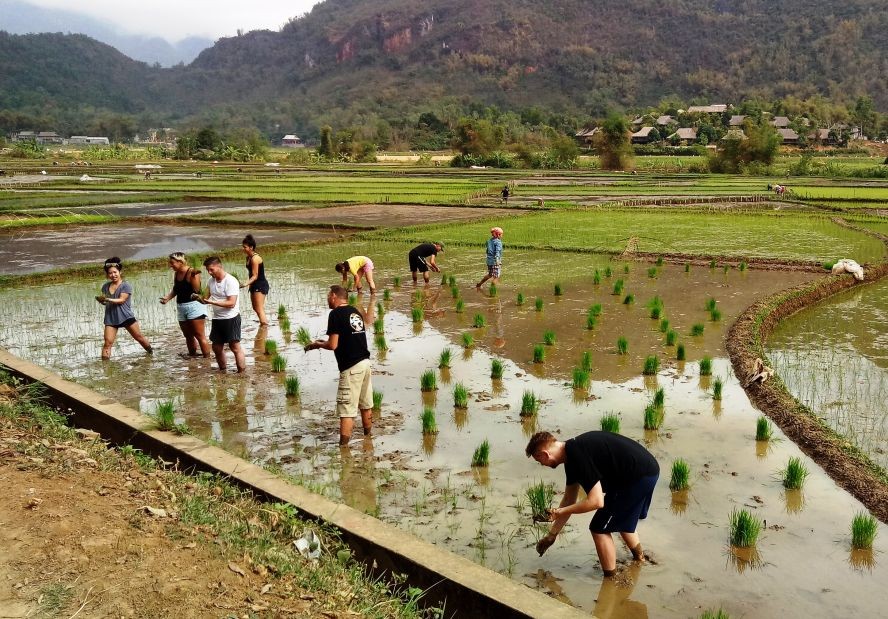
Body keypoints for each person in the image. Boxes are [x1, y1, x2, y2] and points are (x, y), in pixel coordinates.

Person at [526, 430, 659, 578]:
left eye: (539, 461)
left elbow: (596, 501)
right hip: (645, 471)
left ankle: (610, 579)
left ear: (544, 454)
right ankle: (639, 558)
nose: (542, 465)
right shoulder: (571, 454)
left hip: (637, 477)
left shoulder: (577, 455)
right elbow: (569, 499)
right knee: (618, 517)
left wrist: (559, 513)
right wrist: (552, 535)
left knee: (599, 528)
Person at [304, 285, 373, 445]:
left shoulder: (335, 314)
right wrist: (323, 342)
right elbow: (345, 338)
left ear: (334, 296)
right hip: (365, 363)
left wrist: (318, 345)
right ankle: (368, 439)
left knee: (346, 410)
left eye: (328, 295)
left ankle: (343, 448)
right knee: (365, 404)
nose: (327, 298)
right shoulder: (354, 311)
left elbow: (333, 345)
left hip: (351, 368)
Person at [95, 257, 152, 360]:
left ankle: (151, 354)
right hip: (111, 318)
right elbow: (106, 303)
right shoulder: (105, 286)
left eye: (115, 272)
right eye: (110, 273)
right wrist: (101, 301)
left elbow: (121, 300)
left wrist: (107, 299)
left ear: (120, 272)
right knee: (107, 343)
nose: (113, 275)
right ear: (107, 275)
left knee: (139, 338)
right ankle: (105, 367)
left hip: (125, 316)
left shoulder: (126, 286)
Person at [196, 256, 245, 373]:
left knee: (234, 347)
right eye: (208, 270)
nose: (209, 272)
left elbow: (231, 303)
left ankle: (241, 372)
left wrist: (211, 302)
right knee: (217, 347)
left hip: (231, 318)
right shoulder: (210, 281)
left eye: (211, 269)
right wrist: (197, 298)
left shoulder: (231, 281)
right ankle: (223, 370)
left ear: (219, 266)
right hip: (217, 319)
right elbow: (205, 299)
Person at [159, 252, 210, 358]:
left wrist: (195, 276)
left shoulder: (192, 272)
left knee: (199, 335)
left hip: (194, 306)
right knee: (187, 335)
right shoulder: (177, 273)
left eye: (172, 263)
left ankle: (207, 359)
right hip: (181, 307)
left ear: (180, 262)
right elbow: (176, 289)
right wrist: (167, 298)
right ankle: (192, 356)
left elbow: (197, 290)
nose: (170, 265)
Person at [240, 234, 269, 325]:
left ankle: (264, 327)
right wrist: (249, 284)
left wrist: (245, 284)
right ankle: (263, 324)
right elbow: (251, 274)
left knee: (259, 308)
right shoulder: (248, 257)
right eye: (243, 247)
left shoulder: (255, 259)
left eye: (245, 247)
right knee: (255, 308)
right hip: (254, 284)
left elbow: (255, 275)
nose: (243, 249)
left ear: (251, 247)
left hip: (260, 285)